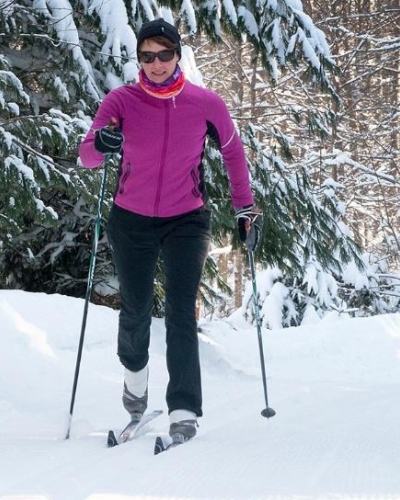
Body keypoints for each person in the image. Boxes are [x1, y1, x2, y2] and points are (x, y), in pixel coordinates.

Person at [79, 18, 260, 443]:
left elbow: (233, 153)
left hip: (186, 219)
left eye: (164, 54)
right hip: (131, 220)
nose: (156, 63)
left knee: (180, 313)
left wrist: (245, 209)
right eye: (147, 56)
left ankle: (184, 409)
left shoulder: (204, 103)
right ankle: (136, 396)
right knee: (136, 310)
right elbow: (87, 154)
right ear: (139, 58)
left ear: (178, 55)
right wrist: (101, 145)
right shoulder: (121, 101)